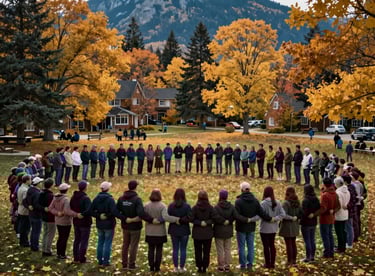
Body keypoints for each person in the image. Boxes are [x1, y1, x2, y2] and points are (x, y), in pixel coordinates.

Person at [235, 182, 272, 271]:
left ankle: (243, 264)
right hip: (251, 227)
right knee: (250, 246)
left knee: (242, 246)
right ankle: (250, 263)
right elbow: (261, 213)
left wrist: (245, 220)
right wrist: (270, 218)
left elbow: (236, 215)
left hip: (241, 227)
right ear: (249, 189)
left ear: (242, 190)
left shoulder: (238, 201)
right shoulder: (255, 201)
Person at [116, 180, 153, 270]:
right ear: (136, 187)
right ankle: (131, 264)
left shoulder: (121, 198)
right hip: (135, 227)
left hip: (125, 225)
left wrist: (125, 219)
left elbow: (116, 211)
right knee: (133, 245)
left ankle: (124, 264)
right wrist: (151, 219)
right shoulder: (137, 199)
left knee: (125, 244)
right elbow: (141, 213)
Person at [144, 189, 180, 272]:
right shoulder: (162, 206)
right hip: (160, 232)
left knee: (151, 249)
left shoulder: (146, 206)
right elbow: (166, 217)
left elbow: (144, 216)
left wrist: (152, 220)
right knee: (159, 249)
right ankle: (157, 267)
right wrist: (176, 219)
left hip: (150, 232)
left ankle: (151, 266)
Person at [213, 189, 249, 272]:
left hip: (218, 231)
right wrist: (229, 221)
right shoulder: (231, 207)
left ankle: (221, 266)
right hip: (228, 231)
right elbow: (236, 216)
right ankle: (227, 265)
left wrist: (222, 221)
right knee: (227, 249)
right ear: (226, 197)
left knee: (220, 249)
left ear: (220, 196)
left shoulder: (216, 207)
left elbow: (215, 217)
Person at [91, 181, 122, 267]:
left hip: (99, 224)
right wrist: (123, 218)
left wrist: (99, 215)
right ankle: (106, 261)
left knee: (100, 241)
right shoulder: (110, 199)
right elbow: (114, 211)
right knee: (107, 243)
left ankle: (100, 260)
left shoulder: (96, 198)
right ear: (108, 189)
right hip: (109, 224)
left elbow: (91, 211)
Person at [48, 183, 78, 259]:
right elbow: (67, 211)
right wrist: (76, 214)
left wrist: (57, 213)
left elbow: (50, 208)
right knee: (64, 238)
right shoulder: (66, 200)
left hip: (57, 221)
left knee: (60, 237)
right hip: (65, 222)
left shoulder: (55, 198)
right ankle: (62, 254)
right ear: (66, 190)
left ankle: (58, 253)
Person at [259, 186, 285, 269]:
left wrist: (270, 219)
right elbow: (282, 214)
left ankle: (267, 263)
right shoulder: (277, 202)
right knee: (272, 245)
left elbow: (260, 215)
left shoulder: (263, 203)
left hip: (264, 228)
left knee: (266, 246)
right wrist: (275, 219)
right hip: (273, 228)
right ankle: (272, 263)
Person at [191, 191, 217, 273]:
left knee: (198, 250)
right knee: (206, 251)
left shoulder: (195, 208)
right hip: (207, 233)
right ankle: (205, 266)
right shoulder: (210, 208)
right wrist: (207, 222)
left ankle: (199, 267)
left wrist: (199, 222)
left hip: (197, 233)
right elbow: (214, 218)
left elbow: (191, 218)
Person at [168, 189, 192, 272]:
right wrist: (181, 220)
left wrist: (176, 220)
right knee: (183, 249)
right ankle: (182, 267)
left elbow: (168, 217)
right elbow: (190, 217)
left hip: (174, 230)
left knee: (175, 249)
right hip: (184, 230)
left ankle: (175, 267)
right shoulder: (187, 206)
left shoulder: (171, 206)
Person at [279, 186, 303, 266]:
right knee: (293, 243)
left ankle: (290, 261)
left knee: (289, 244)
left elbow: (283, 215)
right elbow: (301, 213)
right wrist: (296, 217)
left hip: (287, 226)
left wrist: (291, 218)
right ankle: (294, 260)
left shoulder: (286, 203)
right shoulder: (297, 201)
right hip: (295, 225)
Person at [70, 180, 92, 263]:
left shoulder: (73, 197)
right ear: (85, 188)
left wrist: (76, 214)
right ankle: (82, 258)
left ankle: (76, 258)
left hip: (76, 221)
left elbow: (71, 207)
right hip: (85, 222)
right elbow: (89, 210)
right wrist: (82, 214)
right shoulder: (86, 198)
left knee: (77, 240)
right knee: (84, 241)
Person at [319, 178, 340, 258]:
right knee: (330, 235)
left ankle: (327, 252)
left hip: (325, 218)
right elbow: (338, 206)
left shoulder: (325, 195)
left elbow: (323, 208)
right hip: (331, 218)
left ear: (324, 184)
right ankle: (331, 252)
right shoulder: (334, 193)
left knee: (325, 236)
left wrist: (316, 213)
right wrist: (333, 211)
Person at [300, 185, 320, 262]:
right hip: (313, 222)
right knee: (312, 239)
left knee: (307, 240)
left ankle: (308, 257)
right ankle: (312, 256)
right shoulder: (316, 199)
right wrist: (314, 214)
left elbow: (303, 212)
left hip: (306, 222)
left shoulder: (305, 200)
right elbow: (318, 208)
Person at [25, 176, 44, 251]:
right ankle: (35, 246)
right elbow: (37, 205)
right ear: (38, 184)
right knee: (37, 231)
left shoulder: (30, 190)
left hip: (31, 214)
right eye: (40, 182)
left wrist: (28, 206)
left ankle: (32, 244)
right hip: (37, 215)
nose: (42, 183)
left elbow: (24, 201)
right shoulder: (37, 193)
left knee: (33, 230)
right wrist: (44, 208)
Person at [39, 178, 56, 256]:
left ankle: (44, 248)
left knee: (45, 233)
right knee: (50, 234)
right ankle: (47, 250)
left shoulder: (41, 193)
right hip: (50, 217)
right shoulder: (50, 195)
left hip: (43, 216)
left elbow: (39, 204)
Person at [334, 177, 350, 254]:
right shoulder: (347, 191)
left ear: (337, 184)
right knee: (343, 231)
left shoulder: (338, 192)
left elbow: (338, 204)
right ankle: (342, 246)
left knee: (339, 232)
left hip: (339, 214)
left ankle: (341, 248)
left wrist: (333, 211)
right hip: (345, 213)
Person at [342, 175, 357, 249]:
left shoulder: (349, 189)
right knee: (348, 227)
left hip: (349, 211)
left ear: (345, 181)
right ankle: (347, 241)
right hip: (351, 210)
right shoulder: (352, 187)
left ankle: (349, 243)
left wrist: (347, 206)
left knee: (349, 227)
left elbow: (353, 200)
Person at [17, 175, 31, 247]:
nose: (31, 181)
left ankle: (23, 241)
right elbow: (25, 201)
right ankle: (24, 242)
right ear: (27, 181)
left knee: (23, 226)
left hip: (20, 209)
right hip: (24, 210)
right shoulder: (25, 190)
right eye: (30, 180)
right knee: (25, 227)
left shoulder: (21, 187)